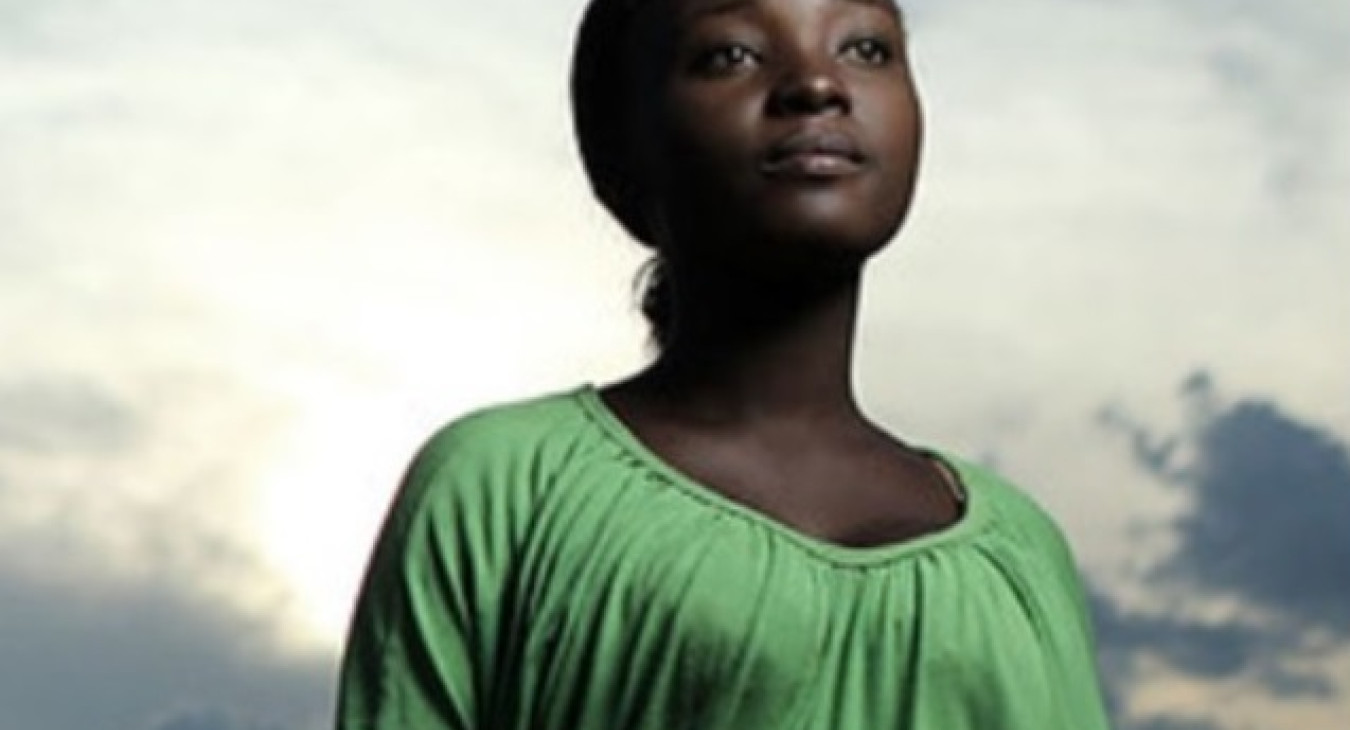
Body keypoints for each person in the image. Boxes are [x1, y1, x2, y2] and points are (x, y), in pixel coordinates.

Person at [335, 0, 1114, 728]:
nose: (816, 84)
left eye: (867, 47)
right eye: (731, 54)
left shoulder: (1022, 549)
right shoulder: (501, 486)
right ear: (621, 151)